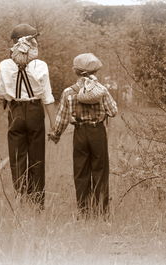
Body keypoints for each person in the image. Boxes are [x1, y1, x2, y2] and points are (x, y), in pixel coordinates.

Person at [49, 53, 118, 217]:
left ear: (76, 71)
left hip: (80, 133)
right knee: (100, 170)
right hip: (98, 132)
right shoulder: (101, 90)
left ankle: (84, 211)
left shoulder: (68, 92)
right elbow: (113, 111)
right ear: (96, 71)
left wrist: (56, 134)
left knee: (81, 172)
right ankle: (102, 212)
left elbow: (62, 118)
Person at [0, 24, 56, 209]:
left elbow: (1, 92)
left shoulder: (5, 65)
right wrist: (54, 125)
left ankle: (21, 195)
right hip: (35, 111)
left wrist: (12, 97)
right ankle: (37, 201)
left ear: (14, 43)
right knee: (37, 156)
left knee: (16, 155)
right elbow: (47, 97)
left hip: (15, 111)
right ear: (32, 43)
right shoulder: (41, 65)